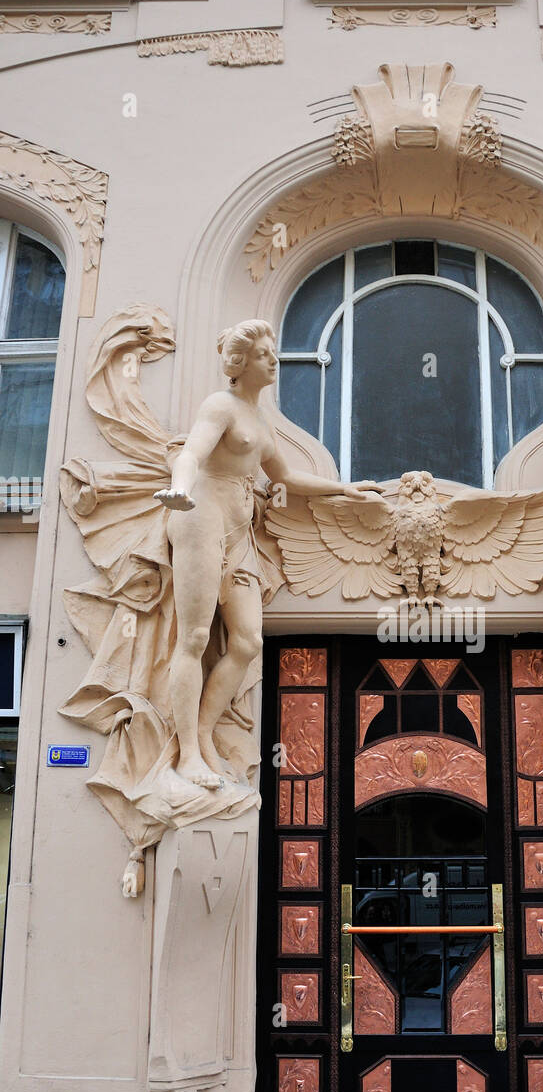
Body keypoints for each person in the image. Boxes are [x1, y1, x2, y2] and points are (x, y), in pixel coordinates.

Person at [156, 318, 379, 788]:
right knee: (195, 637)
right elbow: (191, 453)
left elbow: (287, 478)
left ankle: (203, 732)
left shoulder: (260, 421)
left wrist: (345, 488)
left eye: (273, 352)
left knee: (248, 642)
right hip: (199, 516)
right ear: (239, 363)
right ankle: (188, 756)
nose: (273, 360)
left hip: (239, 531)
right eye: (263, 354)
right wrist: (179, 488)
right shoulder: (220, 405)